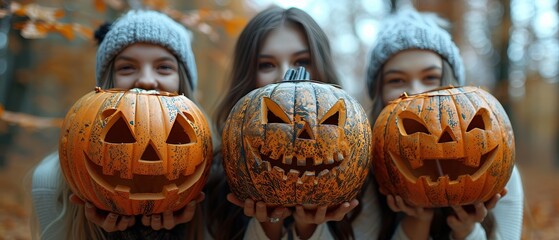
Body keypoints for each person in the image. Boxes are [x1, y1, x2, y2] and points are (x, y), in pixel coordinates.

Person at [31, 9, 208, 240]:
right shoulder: (49, 181)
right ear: (107, 82)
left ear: (182, 80)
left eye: (164, 67)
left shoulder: (214, 174)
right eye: (127, 67)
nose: (145, 79)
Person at [363, 8, 524, 239]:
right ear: (379, 93)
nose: (417, 92)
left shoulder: (501, 167)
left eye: (430, 77)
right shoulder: (364, 171)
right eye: (397, 80)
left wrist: (467, 231)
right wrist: (417, 222)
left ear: (452, 83)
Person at [205, 6, 361, 240]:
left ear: (321, 67)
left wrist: (308, 229)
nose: (286, 75)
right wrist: (268, 227)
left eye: (303, 61)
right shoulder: (213, 177)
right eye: (266, 64)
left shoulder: (357, 166)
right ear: (248, 74)